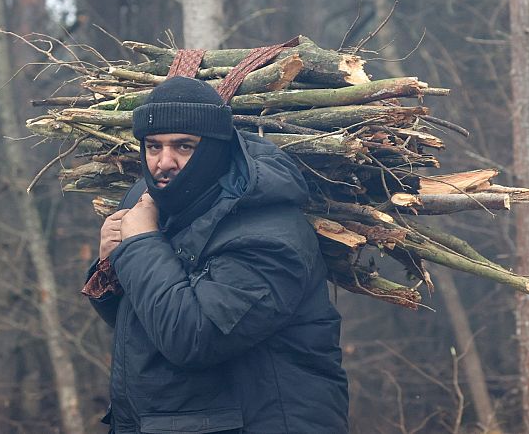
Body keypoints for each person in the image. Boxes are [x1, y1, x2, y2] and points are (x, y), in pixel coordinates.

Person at [81, 76, 348, 434]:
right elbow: (142, 325)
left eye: (184, 147)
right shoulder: (154, 203)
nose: (164, 162)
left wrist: (141, 243)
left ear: (215, 148)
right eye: (153, 146)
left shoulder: (268, 234)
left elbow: (193, 338)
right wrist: (109, 267)